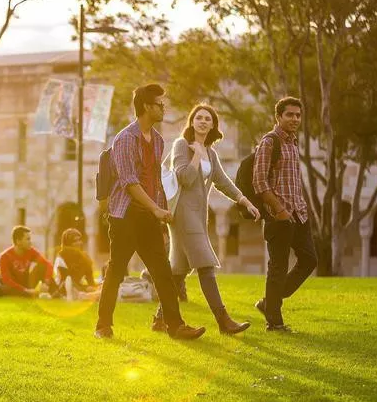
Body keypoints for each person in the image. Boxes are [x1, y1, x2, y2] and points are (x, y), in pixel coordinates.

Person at [95, 83, 206, 340]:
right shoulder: (124, 139)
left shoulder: (157, 140)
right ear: (146, 107)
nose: (162, 108)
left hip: (149, 215)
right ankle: (103, 325)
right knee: (117, 270)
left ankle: (175, 326)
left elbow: (156, 180)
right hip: (124, 215)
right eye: (159, 104)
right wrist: (155, 209)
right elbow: (129, 182)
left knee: (162, 271)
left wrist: (162, 211)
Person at [152, 104, 260, 335]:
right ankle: (223, 321)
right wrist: (196, 156)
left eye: (207, 119)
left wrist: (245, 201)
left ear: (212, 125)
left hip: (198, 215)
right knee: (205, 265)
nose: (202, 121)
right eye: (198, 117)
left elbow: (222, 181)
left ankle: (160, 318)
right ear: (192, 122)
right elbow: (185, 178)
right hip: (182, 213)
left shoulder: (210, 152)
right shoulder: (182, 145)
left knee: (179, 270)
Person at [253, 97, 317, 332]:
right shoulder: (270, 142)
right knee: (278, 267)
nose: (295, 119)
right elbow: (259, 182)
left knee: (310, 260)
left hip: (298, 213)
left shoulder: (293, 142)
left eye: (298, 115)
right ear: (278, 117)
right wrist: (279, 210)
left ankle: (270, 302)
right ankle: (274, 321)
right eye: (289, 115)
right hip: (278, 216)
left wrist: (298, 208)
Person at [0, 226, 55, 297]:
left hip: (26, 282)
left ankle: (55, 294)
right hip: (13, 286)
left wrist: (46, 282)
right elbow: (7, 280)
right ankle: (28, 294)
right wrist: (25, 290)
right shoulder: (4, 256)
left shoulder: (31, 251)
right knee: (4, 287)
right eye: (28, 239)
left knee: (42, 267)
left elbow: (48, 265)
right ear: (18, 241)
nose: (30, 242)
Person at [53, 228, 100, 301]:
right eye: (75, 241)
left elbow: (90, 280)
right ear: (68, 243)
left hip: (79, 287)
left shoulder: (85, 257)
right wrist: (86, 288)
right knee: (72, 286)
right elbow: (65, 280)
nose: (79, 243)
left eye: (79, 240)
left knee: (101, 286)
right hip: (64, 287)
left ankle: (89, 295)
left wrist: (91, 287)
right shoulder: (61, 257)